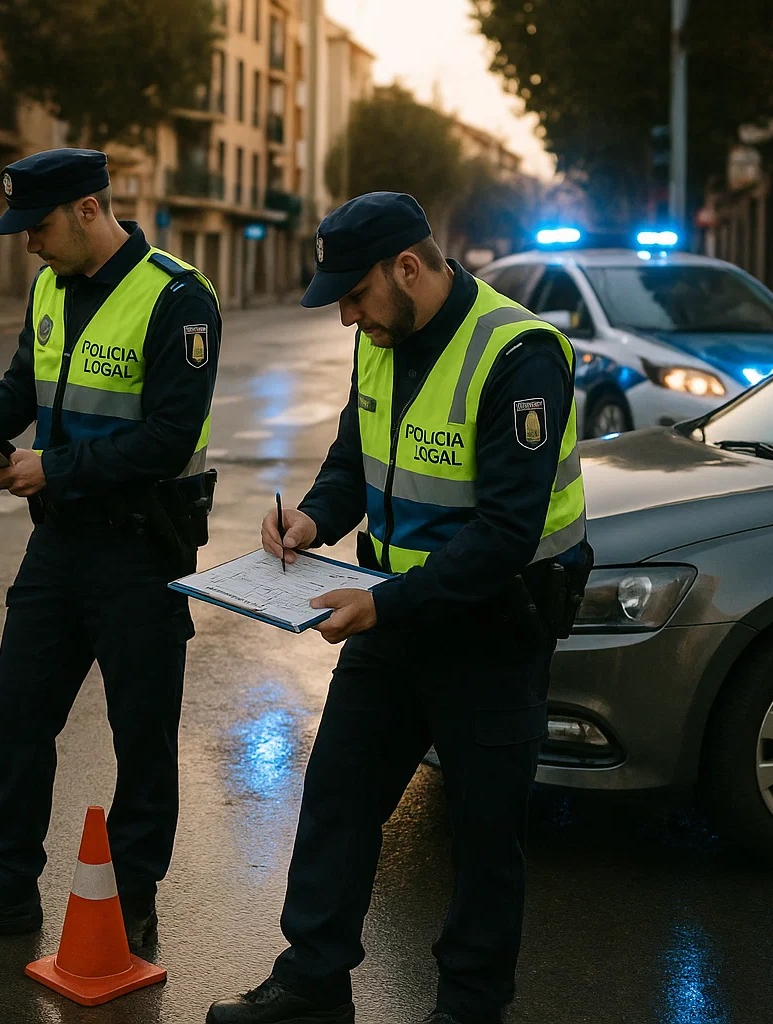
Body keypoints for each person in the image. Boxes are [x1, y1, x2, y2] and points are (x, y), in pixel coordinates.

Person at [208, 192, 592, 1024]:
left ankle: (468, 1006)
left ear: (407, 268)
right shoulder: (381, 341)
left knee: (484, 839)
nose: (348, 317)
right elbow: (353, 459)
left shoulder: (520, 354)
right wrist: (310, 516)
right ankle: (313, 980)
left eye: (355, 295)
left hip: (495, 629)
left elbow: (504, 533)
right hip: (397, 620)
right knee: (339, 797)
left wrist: (386, 608)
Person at [0, 148, 221, 954]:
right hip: (61, 546)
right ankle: (5, 888)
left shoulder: (180, 298)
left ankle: (132, 898)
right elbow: (19, 393)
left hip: (144, 553)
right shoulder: (48, 287)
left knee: (141, 736)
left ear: (87, 209)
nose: (28, 243)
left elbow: (169, 437)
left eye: (37, 226)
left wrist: (57, 468)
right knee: (18, 717)